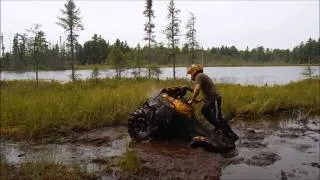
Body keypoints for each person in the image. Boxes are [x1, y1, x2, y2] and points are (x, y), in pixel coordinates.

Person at [187, 64, 226, 129]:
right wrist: (199, 100)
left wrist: (192, 100)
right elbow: (205, 90)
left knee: (218, 117)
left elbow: (197, 89)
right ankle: (218, 127)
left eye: (190, 73)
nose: (190, 75)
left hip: (214, 99)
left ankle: (227, 132)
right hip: (210, 100)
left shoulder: (198, 76)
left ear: (194, 71)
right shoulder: (200, 76)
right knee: (204, 111)